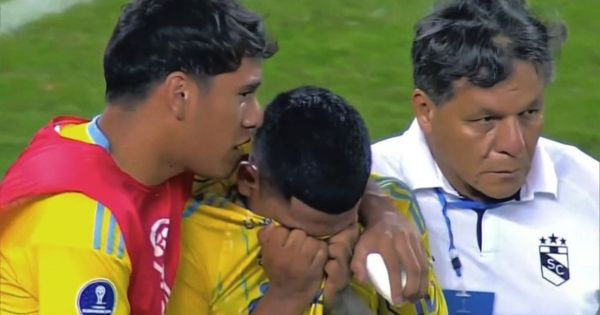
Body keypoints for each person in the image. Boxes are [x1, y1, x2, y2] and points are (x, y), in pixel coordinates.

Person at [0, 0, 429, 314]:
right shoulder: (81, 231)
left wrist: (380, 211)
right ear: (181, 96)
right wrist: (288, 297)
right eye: (244, 95)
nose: (255, 117)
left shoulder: (155, 157)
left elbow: (309, 162)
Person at [371, 0, 599, 314]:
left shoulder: (590, 190)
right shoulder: (362, 185)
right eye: (486, 120)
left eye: (529, 113)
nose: (513, 144)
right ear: (426, 110)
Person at [167, 86, 446, 315]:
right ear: (248, 180)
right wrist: (288, 297)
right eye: (300, 233)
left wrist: (342, 304)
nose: (325, 249)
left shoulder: (391, 222)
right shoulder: (195, 237)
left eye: (342, 230)